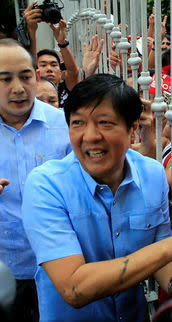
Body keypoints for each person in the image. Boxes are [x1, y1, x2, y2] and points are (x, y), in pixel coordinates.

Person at [22, 73, 172, 321]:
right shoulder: (46, 185)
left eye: (105, 122)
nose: (90, 136)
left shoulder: (152, 175)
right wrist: (171, 248)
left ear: (134, 128)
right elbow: (73, 288)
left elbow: (156, 245)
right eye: (78, 123)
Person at [0, 38, 71, 322]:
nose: (17, 88)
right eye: (5, 79)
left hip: (61, 266)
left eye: (25, 76)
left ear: (37, 77)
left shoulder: (66, 126)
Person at [24, 2, 79, 107]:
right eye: (43, 65)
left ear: (61, 73)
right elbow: (30, 66)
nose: (49, 69)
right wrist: (31, 31)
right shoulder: (30, 91)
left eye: (54, 65)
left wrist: (62, 43)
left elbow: (73, 73)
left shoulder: (66, 89)